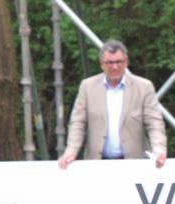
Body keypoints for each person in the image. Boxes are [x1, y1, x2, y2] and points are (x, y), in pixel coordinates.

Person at [58, 40, 167, 169]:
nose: (114, 67)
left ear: (126, 62)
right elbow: (78, 123)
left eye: (118, 62)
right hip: (97, 164)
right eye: (109, 62)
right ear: (101, 64)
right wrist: (71, 151)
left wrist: (159, 149)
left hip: (134, 164)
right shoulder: (87, 87)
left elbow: (154, 122)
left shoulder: (144, 87)